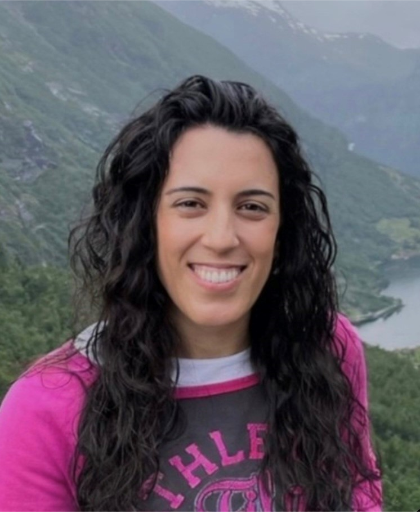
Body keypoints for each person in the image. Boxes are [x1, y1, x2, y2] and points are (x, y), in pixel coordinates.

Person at [0, 75, 382, 512]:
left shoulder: (326, 348)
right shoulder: (46, 409)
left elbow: (359, 496)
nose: (221, 238)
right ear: (145, 224)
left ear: (282, 233)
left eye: (252, 207)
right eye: (190, 204)